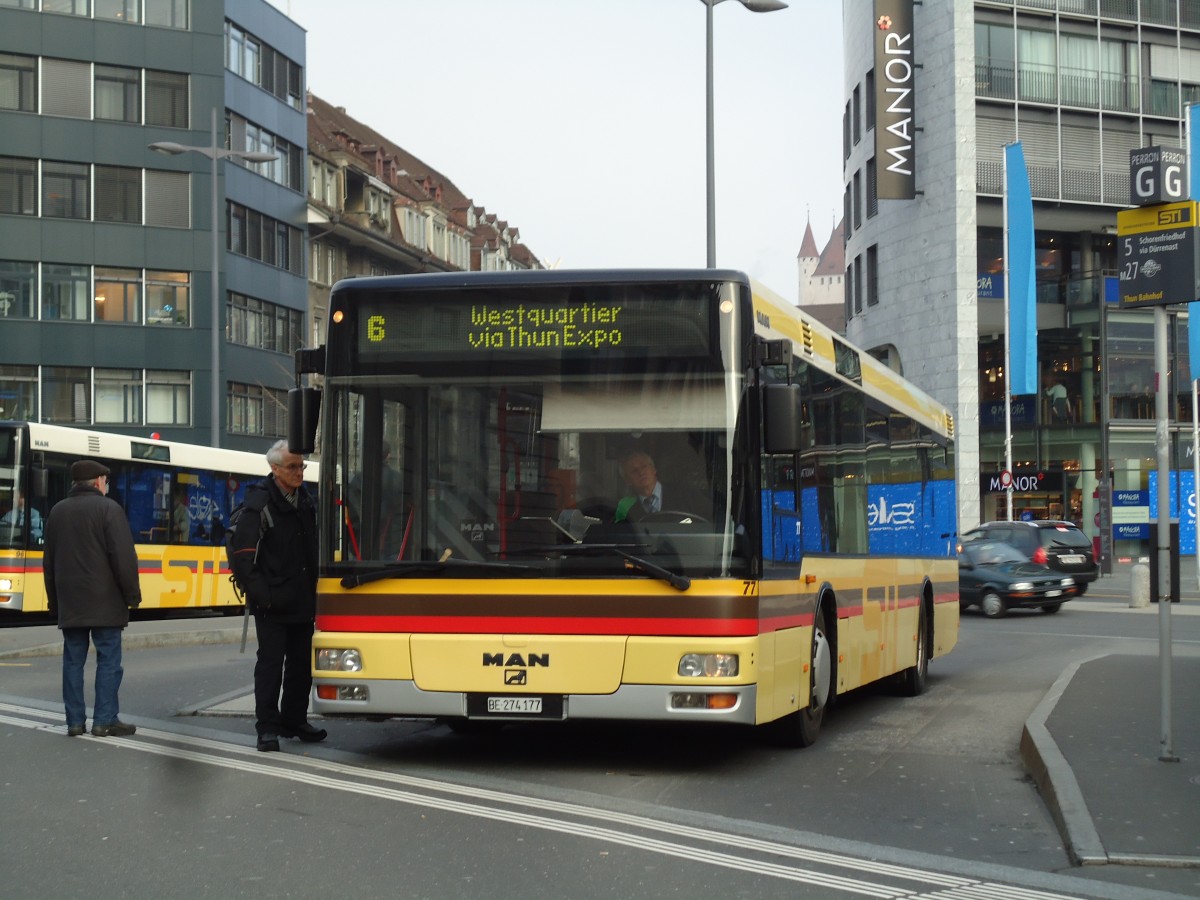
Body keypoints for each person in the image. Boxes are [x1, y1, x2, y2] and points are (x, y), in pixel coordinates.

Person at [229, 440, 322, 752]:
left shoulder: (306, 500)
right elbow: (242, 558)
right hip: (272, 603)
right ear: (274, 469)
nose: (299, 472)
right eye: (293, 467)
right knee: (270, 666)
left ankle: (294, 720)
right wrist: (263, 597)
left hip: (302, 600)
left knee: (300, 665)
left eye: (301, 466)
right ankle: (267, 728)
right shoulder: (259, 503)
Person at [42, 459, 142, 737]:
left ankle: (74, 721)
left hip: (70, 602)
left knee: (72, 662)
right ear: (98, 482)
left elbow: (48, 562)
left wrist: (54, 602)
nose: (106, 485)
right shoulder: (109, 509)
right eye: (105, 481)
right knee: (109, 660)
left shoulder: (57, 511)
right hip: (105, 601)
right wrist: (132, 595)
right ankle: (104, 719)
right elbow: (123, 558)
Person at [613, 449, 706, 523]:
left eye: (644, 466)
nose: (641, 472)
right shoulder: (627, 508)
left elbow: (712, 521)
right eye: (634, 471)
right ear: (627, 480)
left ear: (653, 469)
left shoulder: (685, 492)